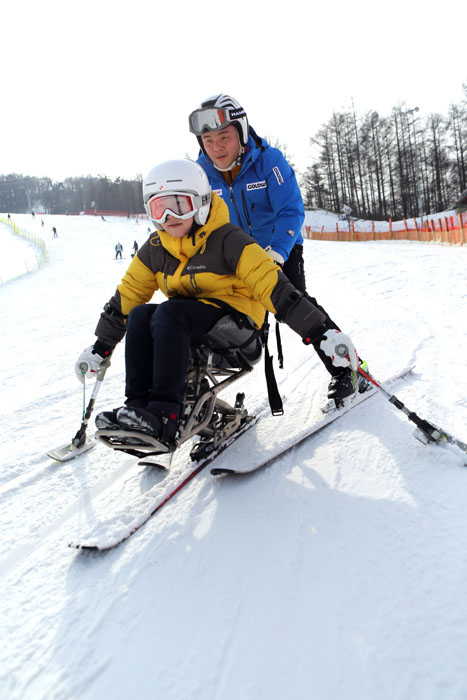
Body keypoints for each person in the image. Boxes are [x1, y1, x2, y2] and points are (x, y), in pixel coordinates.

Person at [75, 159, 361, 445]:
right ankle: (138, 411)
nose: (168, 217)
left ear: (200, 202)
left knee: (168, 313)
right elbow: (127, 296)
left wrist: (321, 333)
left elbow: (274, 287)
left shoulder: (229, 240)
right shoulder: (155, 249)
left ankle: (165, 416)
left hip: (240, 333)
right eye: (158, 209)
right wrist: (101, 347)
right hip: (189, 328)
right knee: (140, 316)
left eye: (179, 205)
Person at [188, 94, 368, 396]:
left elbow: (292, 210)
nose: (216, 148)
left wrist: (277, 252)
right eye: (208, 140)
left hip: (280, 247)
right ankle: (199, 393)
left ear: (241, 132)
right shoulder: (200, 174)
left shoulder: (269, 162)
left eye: (224, 137)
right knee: (216, 314)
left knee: (295, 306)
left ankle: (348, 369)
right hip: (237, 254)